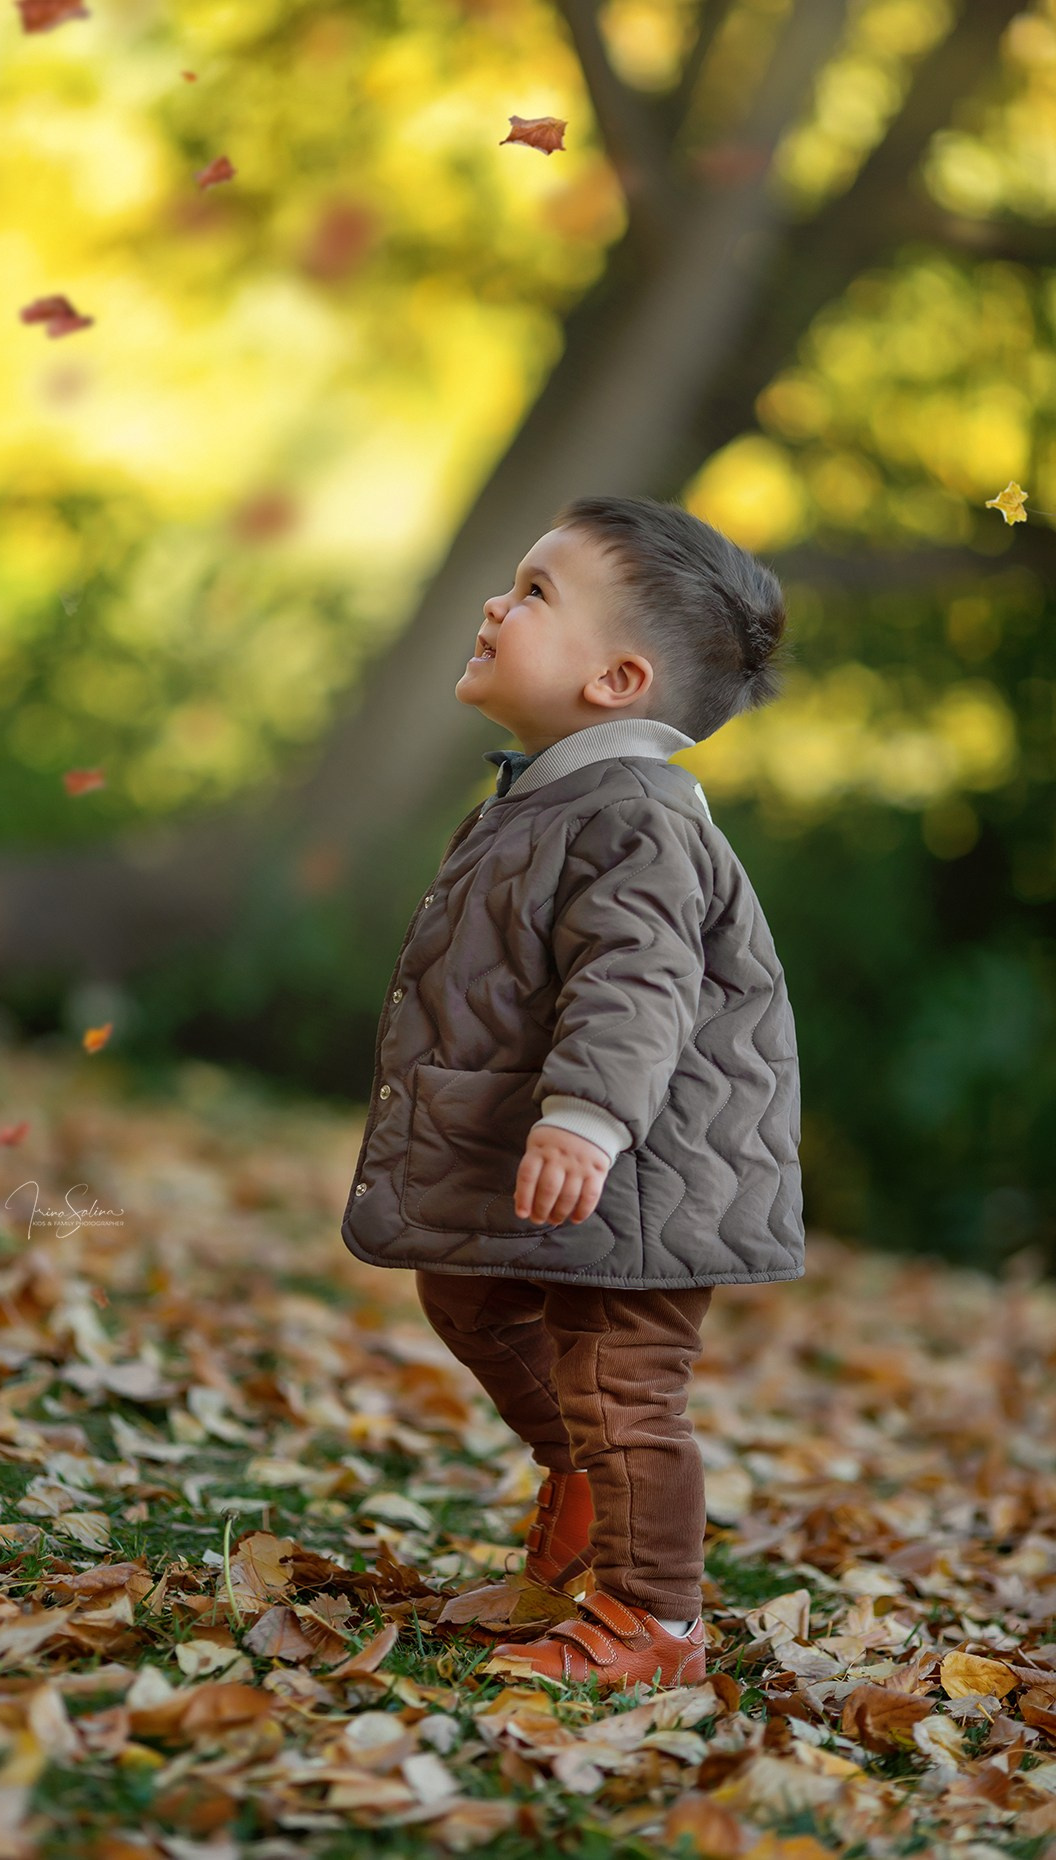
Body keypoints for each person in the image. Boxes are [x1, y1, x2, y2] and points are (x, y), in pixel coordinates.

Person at [341, 493, 804, 1691]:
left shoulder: (637, 817)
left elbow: (637, 979)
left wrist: (588, 1117)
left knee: (621, 1386)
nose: (498, 602)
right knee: (471, 1295)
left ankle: (655, 1624)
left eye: (536, 591)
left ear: (616, 681)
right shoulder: (550, 795)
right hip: (570, 1157)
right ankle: (589, 1509)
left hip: (641, 1166)